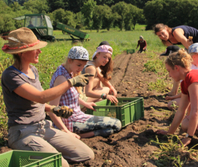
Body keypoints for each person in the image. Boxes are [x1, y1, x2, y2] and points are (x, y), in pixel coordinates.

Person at [1, 27, 95, 167]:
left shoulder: (33, 70)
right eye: (35, 48)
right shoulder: (11, 75)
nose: (39, 51)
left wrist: (53, 109)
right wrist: (71, 82)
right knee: (61, 165)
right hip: (23, 132)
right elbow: (40, 97)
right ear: (22, 52)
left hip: (43, 127)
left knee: (86, 154)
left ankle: (44, 156)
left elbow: (34, 101)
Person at [49, 46, 122, 138]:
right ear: (69, 60)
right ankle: (77, 135)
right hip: (70, 121)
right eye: (79, 65)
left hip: (77, 115)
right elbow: (52, 109)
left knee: (110, 129)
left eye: (83, 65)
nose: (81, 69)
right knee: (116, 124)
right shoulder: (61, 78)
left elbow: (71, 96)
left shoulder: (68, 71)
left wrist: (85, 104)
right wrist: (65, 130)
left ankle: (88, 133)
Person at [166, 43, 198, 110]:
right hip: (196, 95)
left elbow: (187, 93)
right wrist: (174, 97)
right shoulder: (190, 70)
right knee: (172, 104)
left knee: (171, 104)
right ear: (194, 57)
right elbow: (186, 92)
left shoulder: (197, 68)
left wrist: (174, 97)